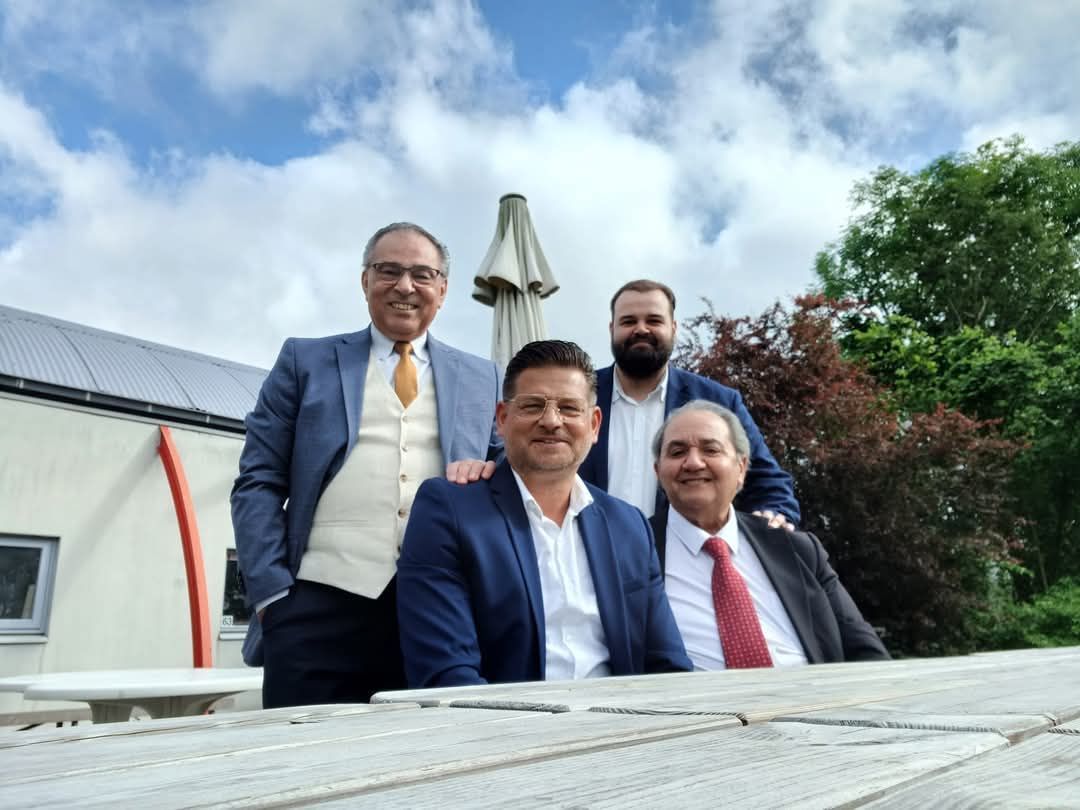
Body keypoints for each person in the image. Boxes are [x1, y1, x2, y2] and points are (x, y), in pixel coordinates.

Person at [231, 222, 502, 707]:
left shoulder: (483, 377)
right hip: (315, 605)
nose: (405, 286)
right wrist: (272, 596)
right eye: (388, 271)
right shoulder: (304, 360)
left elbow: (508, 472)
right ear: (365, 281)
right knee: (302, 747)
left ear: (442, 289)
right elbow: (258, 480)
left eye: (422, 274)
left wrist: (490, 473)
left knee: (427, 747)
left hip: (439, 610)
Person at [397, 340, 692, 688]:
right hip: (503, 719)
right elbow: (446, 674)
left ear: (594, 425)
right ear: (502, 419)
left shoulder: (629, 526)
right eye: (533, 405)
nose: (551, 421)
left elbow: (668, 666)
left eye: (569, 408)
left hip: (623, 716)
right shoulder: (449, 511)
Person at [651, 400, 889, 669]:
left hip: (813, 692)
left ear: (741, 468)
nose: (693, 463)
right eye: (677, 452)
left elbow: (867, 654)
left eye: (711, 449)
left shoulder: (796, 549)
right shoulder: (632, 553)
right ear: (658, 471)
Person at [578, 279, 800, 527]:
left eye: (654, 320)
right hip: (586, 548)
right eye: (628, 321)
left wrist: (773, 514)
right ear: (612, 329)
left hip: (680, 550)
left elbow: (766, 480)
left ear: (673, 328)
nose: (641, 329)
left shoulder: (718, 401)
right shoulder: (575, 397)